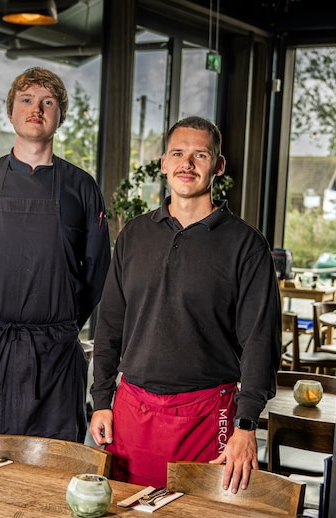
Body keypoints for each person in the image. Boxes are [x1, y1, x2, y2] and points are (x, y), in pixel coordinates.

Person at [89, 116, 280, 492]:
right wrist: (100, 400)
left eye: (200, 155)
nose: (187, 164)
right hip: (133, 411)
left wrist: (246, 425)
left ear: (218, 166)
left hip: (208, 415)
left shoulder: (246, 245)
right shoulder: (134, 235)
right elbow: (110, 324)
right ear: (163, 163)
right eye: (178, 153)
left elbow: (261, 341)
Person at [0, 67, 111, 454]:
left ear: (59, 117)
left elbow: (97, 271)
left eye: (47, 102)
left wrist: (61, 320)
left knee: (52, 471)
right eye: (26, 100)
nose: (36, 108)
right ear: (11, 112)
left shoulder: (82, 188)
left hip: (54, 355)